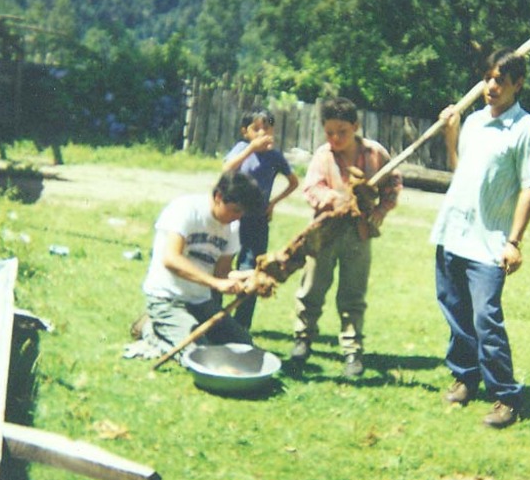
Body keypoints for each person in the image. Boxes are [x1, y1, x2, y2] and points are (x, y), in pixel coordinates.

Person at [431, 48, 530, 428]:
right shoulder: (474, 123)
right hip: (454, 232)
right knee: (456, 311)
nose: (492, 85)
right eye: (488, 78)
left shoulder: (527, 128)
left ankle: (505, 396)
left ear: (519, 83)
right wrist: (452, 136)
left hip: (489, 240)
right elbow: (461, 172)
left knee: (486, 318)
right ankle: (465, 377)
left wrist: (514, 241)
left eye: (501, 79)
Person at [291, 97, 401, 377]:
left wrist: (380, 210)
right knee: (312, 287)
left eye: (342, 131)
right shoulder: (323, 156)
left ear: (356, 126)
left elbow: (393, 183)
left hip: (359, 234)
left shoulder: (376, 154)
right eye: (329, 132)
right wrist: (334, 199)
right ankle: (303, 338)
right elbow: (311, 188)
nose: (336, 138)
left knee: (353, 293)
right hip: (325, 232)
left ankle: (352, 350)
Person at [132, 171, 264, 365]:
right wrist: (215, 283)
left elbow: (222, 274)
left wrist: (249, 276)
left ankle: (172, 327)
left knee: (244, 345)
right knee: (199, 355)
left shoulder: (232, 226)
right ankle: (149, 329)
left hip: (200, 302)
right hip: (167, 298)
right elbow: (171, 259)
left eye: (242, 212)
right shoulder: (186, 209)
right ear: (219, 196)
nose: (238, 217)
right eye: (235, 210)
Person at [223, 107, 299, 329]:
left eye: (267, 128)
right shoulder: (241, 149)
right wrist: (250, 150)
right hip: (232, 218)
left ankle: (241, 323)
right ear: (245, 132)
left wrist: (273, 202)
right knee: (221, 263)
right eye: (256, 129)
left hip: (257, 219)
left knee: (252, 268)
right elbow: (226, 170)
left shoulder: (275, 157)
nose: (262, 133)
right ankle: (213, 313)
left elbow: (293, 182)